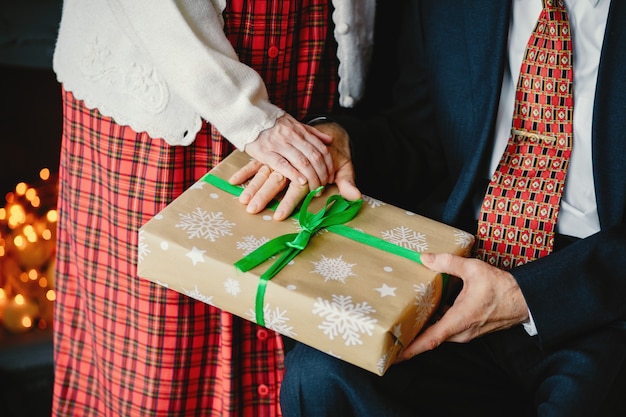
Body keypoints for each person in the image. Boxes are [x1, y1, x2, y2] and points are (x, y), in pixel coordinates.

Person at [233, 1, 626, 416]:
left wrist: (529, 294)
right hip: (456, 264)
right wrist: (341, 141)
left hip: (596, 290)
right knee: (322, 372)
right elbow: (418, 138)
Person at [50, 0, 379, 415]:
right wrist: (249, 115)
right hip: (167, 86)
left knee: (295, 325)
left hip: (303, 66)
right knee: (161, 358)